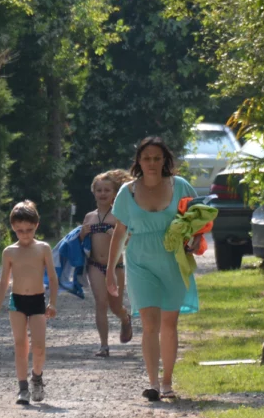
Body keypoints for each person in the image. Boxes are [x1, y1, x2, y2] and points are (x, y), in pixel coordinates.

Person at [106, 137, 205, 401]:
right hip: (139, 260)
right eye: (147, 158)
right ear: (138, 161)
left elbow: (199, 220)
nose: (152, 163)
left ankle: (167, 381)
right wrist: (110, 269)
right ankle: (152, 383)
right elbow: (120, 231)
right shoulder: (127, 192)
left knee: (169, 324)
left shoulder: (180, 186)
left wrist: (195, 238)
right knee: (149, 323)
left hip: (173, 259)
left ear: (165, 161)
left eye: (157, 158)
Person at [0, 200, 58, 405]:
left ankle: (37, 377)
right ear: (13, 228)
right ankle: (22, 388)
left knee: (39, 346)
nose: (25, 234)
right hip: (17, 301)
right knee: (20, 345)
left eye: (28, 229)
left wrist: (52, 303)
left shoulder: (43, 248)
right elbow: (3, 282)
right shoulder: (9, 251)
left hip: (37, 301)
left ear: (37, 225)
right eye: (19, 231)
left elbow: (53, 278)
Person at [80, 169, 133, 356]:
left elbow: (129, 240)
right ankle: (104, 345)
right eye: (99, 190)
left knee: (114, 306)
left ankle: (125, 318)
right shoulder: (89, 217)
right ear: (93, 192)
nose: (103, 194)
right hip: (95, 265)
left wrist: (119, 237)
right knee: (100, 303)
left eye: (107, 190)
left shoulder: (119, 216)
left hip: (116, 266)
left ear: (114, 193)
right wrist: (82, 234)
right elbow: (80, 243)